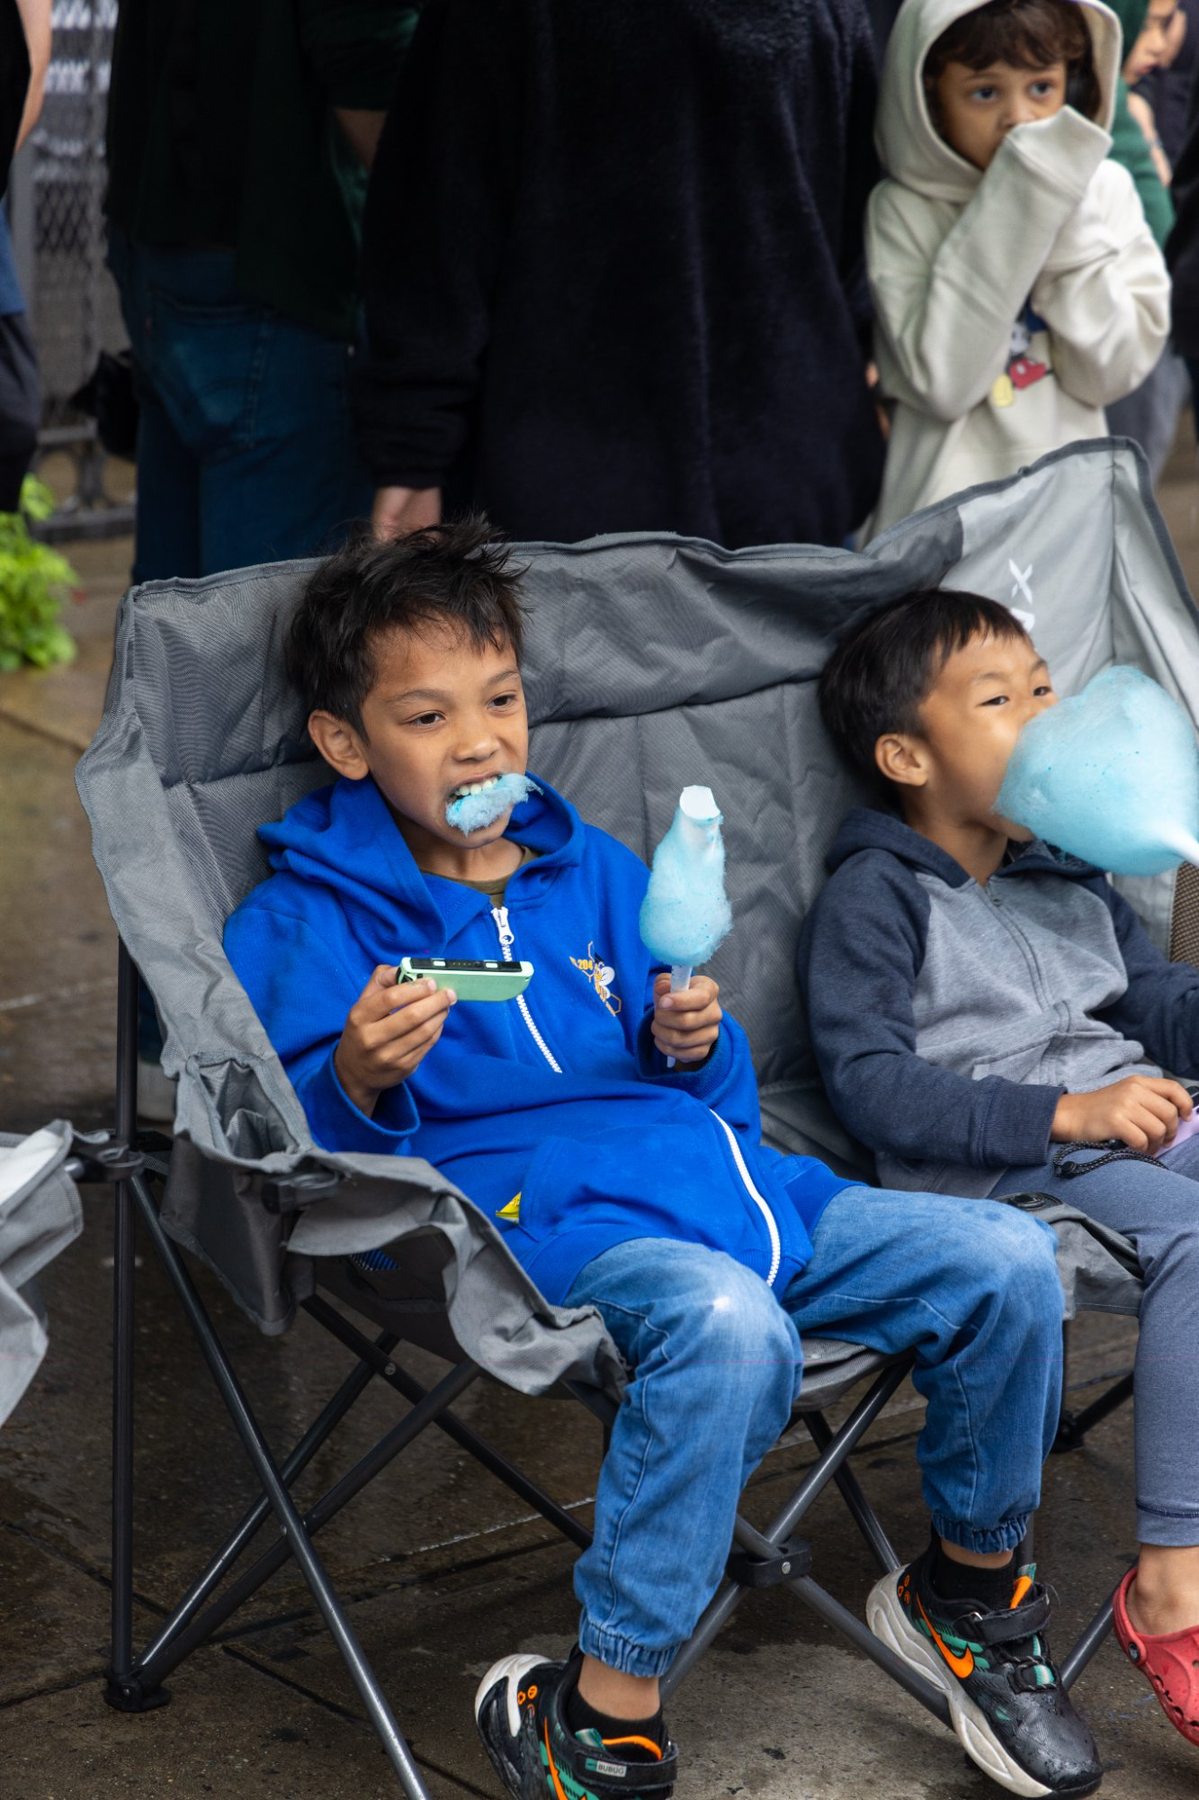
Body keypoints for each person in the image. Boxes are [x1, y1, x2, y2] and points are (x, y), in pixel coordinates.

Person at [224, 520, 1102, 1800]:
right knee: (723, 1323)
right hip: (543, 1227)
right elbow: (297, 1152)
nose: (479, 741)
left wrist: (692, 1045)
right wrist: (357, 1073)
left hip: (740, 1191)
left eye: (502, 700)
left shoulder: (597, 874)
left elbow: (726, 1103)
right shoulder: (301, 918)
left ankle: (968, 1590)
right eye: (426, 717)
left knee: (1008, 1260)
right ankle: (601, 1708)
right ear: (346, 745)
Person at [801, 587, 1199, 1754]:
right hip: (1004, 1171)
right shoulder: (873, 898)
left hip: (1137, 1117)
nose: (1040, 716)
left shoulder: (1067, 870)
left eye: (1042, 689)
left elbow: (1154, 1004)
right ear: (904, 755)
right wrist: (1060, 1110)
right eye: (998, 698)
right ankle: (1170, 1585)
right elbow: (869, 1085)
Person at [354, 0, 885, 550]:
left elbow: (433, 229)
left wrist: (413, 449)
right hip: (602, 504)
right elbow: (436, 223)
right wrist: (413, 449)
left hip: (725, 492)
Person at [866, 0, 1170, 537]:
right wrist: (1017, 203)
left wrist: (1064, 210)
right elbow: (945, 383)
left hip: (1072, 521)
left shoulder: (1105, 191)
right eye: (985, 93)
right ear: (930, 98)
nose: (1019, 119)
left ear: (1074, 88)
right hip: (940, 530)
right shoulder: (901, 208)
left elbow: (1110, 372)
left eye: (1041, 89)